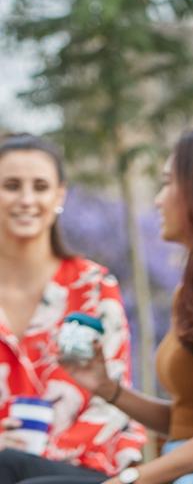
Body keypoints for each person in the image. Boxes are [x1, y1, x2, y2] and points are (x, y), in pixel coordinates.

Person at [65, 128, 193, 484]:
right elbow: (186, 420)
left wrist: (129, 479)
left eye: (167, 184)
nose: (158, 200)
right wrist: (108, 388)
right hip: (187, 465)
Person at [0, 134, 145, 483]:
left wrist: (30, 453)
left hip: (86, 466)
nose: (27, 199)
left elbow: (111, 399)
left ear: (59, 196)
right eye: (11, 186)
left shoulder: (93, 287)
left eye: (40, 186)